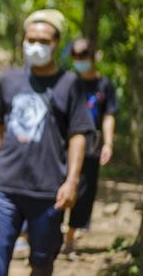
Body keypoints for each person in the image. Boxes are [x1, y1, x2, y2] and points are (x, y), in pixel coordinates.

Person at [0, 9, 95, 276]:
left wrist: (71, 181)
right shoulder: (8, 80)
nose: (36, 46)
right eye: (31, 39)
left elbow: (78, 133)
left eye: (44, 41)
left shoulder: (70, 84)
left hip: (47, 191)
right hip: (4, 189)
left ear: (56, 44)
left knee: (42, 262)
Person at [63, 38, 118, 254]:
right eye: (74, 56)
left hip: (91, 145)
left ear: (92, 57)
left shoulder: (104, 85)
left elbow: (108, 116)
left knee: (84, 193)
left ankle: (70, 238)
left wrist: (108, 143)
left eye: (82, 56)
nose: (78, 60)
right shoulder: (67, 81)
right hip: (64, 145)